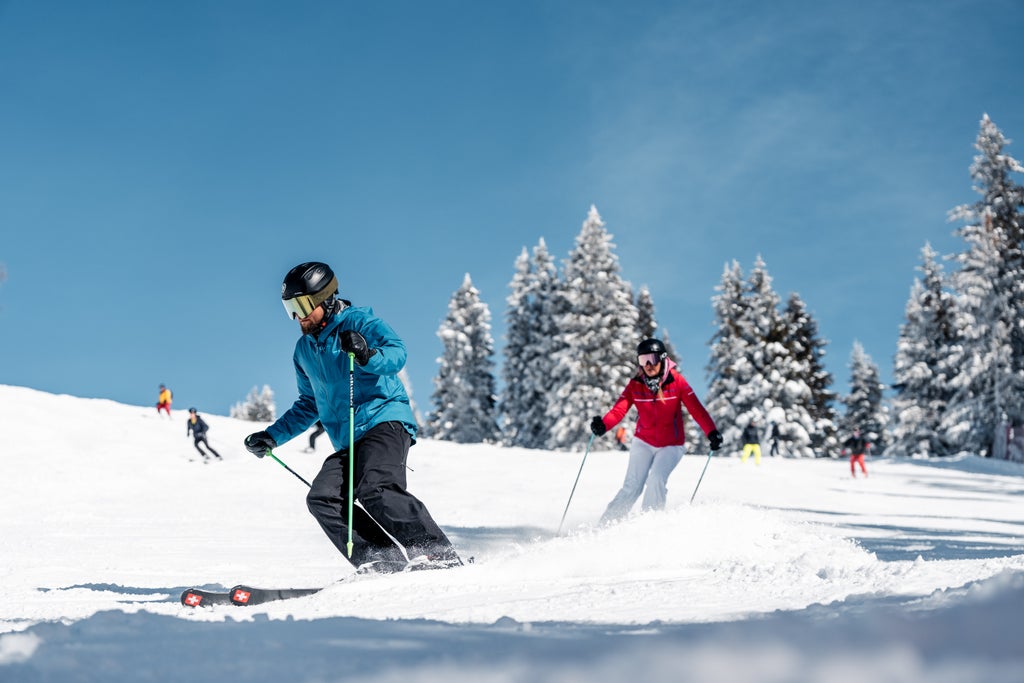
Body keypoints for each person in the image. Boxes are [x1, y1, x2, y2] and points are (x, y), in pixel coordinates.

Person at [244, 261, 461, 573]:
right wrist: (273, 436)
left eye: (303, 305)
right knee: (322, 498)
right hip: (349, 439)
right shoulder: (304, 350)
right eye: (290, 308)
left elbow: (397, 352)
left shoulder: (359, 321)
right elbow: (309, 403)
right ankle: (382, 559)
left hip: (383, 419)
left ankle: (437, 553)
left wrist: (366, 354)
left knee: (376, 487)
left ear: (326, 298)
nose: (298, 316)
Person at [590, 338, 722, 523]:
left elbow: (697, 410)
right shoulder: (636, 384)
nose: (649, 365)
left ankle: (649, 524)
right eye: (643, 361)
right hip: (643, 442)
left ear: (662, 358)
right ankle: (604, 527)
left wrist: (711, 432)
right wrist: (603, 425)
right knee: (632, 487)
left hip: (671, 445)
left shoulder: (677, 381)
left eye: (652, 359)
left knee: (656, 480)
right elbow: (619, 409)